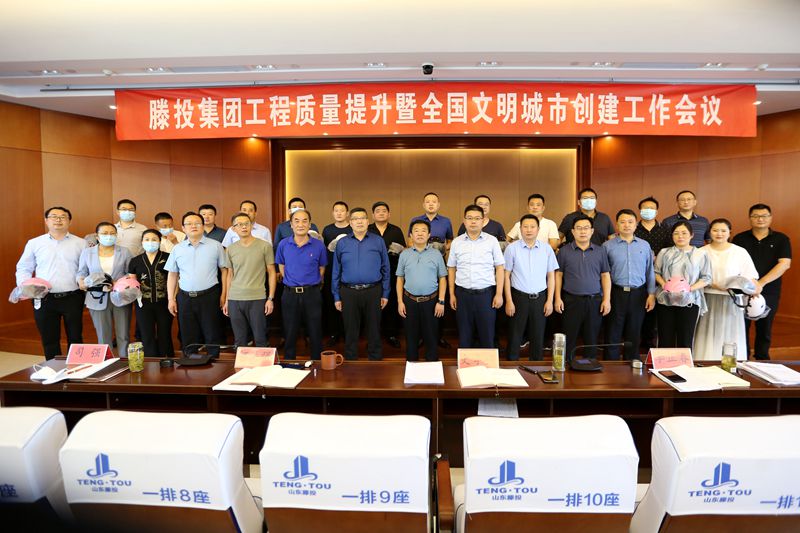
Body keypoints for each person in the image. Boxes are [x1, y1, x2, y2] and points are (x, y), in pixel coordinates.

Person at [15, 206, 87, 359]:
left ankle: (77, 368)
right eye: (54, 216)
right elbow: (23, 268)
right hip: (43, 298)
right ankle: (54, 368)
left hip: (73, 297)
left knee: (75, 337)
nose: (58, 220)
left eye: (63, 217)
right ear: (46, 221)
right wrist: (26, 286)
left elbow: (85, 269)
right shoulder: (34, 243)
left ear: (69, 221)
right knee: (49, 339)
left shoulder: (81, 243)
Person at [693, 219, 759, 361]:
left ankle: (730, 362)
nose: (719, 234)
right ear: (709, 232)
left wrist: (750, 287)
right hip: (707, 297)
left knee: (730, 332)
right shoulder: (701, 252)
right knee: (707, 332)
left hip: (732, 299)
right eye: (715, 230)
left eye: (723, 230)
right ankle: (705, 361)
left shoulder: (739, 252)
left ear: (730, 233)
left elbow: (751, 276)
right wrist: (712, 284)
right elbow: (692, 277)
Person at [732, 204, 792, 360]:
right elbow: (733, 264)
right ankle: (742, 359)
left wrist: (761, 283)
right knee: (741, 327)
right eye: (756, 216)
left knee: (765, 327)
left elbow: (784, 263)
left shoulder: (781, 239)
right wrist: (750, 284)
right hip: (742, 289)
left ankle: (762, 360)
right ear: (750, 218)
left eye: (764, 216)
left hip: (769, 290)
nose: (760, 219)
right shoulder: (739, 238)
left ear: (770, 218)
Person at [165, 212, 229, 355]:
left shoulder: (216, 246)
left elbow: (224, 271)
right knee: (188, 335)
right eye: (189, 224)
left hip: (209, 296)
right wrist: (171, 299)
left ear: (203, 226)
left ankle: (214, 364)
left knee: (212, 333)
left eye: (197, 223)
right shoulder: (177, 249)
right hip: (185, 297)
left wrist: (224, 295)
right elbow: (172, 274)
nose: (193, 226)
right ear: (183, 228)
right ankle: (190, 363)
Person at [332, 207, 390, 360]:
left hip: (373, 291)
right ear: (350, 222)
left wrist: (385, 293)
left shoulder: (378, 241)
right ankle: (350, 360)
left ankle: (375, 359)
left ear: (367, 221)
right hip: (348, 292)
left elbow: (386, 268)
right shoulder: (342, 243)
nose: (359, 221)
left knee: (374, 329)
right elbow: (336, 271)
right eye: (355, 219)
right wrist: (336, 296)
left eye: (362, 218)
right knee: (350, 329)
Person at [447, 204, 505, 349]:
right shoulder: (456, 242)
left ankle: (487, 364)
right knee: (464, 338)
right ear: (464, 221)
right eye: (469, 218)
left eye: (477, 218)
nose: (473, 221)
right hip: (462, 295)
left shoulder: (492, 241)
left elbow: (499, 267)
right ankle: (465, 364)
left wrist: (499, 294)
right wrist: (452, 294)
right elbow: (452, 268)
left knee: (487, 337)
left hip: (486, 296)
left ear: (483, 220)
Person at [555, 215, 611, 360]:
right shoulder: (564, 251)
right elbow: (558, 275)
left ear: (592, 231)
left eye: (586, 228)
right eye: (579, 228)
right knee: (569, 336)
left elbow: (605, 275)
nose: (582, 231)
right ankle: (567, 364)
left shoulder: (600, 251)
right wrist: (557, 298)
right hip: (571, 300)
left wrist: (607, 300)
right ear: (573, 231)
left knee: (592, 337)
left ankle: (590, 365)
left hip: (594, 301)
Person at [603, 209, 656, 360]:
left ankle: (631, 362)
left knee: (634, 330)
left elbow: (650, 271)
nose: (626, 225)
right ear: (617, 225)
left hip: (638, 294)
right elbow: (604, 274)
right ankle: (611, 364)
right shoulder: (607, 246)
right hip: (616, 292)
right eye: (622, 222)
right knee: (613, 330)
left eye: (630, 222)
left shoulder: (644, 245)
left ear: (636, 224)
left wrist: (651, 294)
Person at [504, 214, 557, 360]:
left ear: (538, 229)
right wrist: (509, 301)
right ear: (520, 229)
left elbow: (551, 276)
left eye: (532, 227)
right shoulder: (511, 249)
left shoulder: (547, 249)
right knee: (515, 336)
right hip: (518, 298)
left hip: (540, 298)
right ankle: (511, 366)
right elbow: (506, 276)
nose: (529, 230)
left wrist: (549, 301)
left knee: (538, 336)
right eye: (525, 227)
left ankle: (536, 367)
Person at [276, 209, 327, 360]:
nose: (300, 224)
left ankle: (316, 362)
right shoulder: (283, 244)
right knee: (290, 331)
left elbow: (322, 268)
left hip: (312, 293)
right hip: (290, 293)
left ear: (309, 224)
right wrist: (292, 280)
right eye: (296, 221)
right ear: (291, 225)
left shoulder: (318, 245)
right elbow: (281, 266)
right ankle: (289, 362)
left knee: (315, 330)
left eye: (305, 221)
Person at [77, 222, 133, 357]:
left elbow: (130, 273)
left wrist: (119, 282)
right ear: (97, 236)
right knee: (103, 334)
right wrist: (80, 281)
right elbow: (81, 272)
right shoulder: (87, 252)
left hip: (120, 296)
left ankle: (124, 361)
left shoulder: (124, 252)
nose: (109, 236)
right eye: (105, 233)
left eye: (112, 233)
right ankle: (107, 362)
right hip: (96, 297)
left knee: (123, 334)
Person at [223, 212, 277, 348]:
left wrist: (270, 298)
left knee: (260, 338)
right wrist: (227, 300)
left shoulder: (264, 246)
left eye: (247, 223)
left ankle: (262, 362)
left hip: (257, 298)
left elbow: (271, 272)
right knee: (239, 340)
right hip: (235, 299)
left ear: (251, 226)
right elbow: (230, 275)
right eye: (239, 224)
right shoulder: (230, 249)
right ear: (233, 229)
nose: (244, 227)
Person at [654, 221, 712, 348]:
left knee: (685, 339)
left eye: (684, 233)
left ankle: (684, 362)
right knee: (665, 339)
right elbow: (656, 272)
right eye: (676, 233)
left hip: (690, 300)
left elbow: (707, 278)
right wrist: (664, 285)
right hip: (666, 300)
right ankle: (665, 361)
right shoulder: (664, 252)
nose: (680, 236)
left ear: (691, 235)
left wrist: (689, 288)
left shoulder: (700, 254)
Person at [396, 219, 447, 361]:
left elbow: (442, 278)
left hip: (431, 301)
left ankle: (432, 364)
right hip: (409, 301)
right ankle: (411, 364)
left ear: (429, 234)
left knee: (431, 336)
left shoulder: (436, 254)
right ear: (411, 235)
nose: (420, 234)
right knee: (411, 336)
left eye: (423, 231)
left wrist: (441, 301)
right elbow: (400, 278)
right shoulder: (404, 254)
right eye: (416, 231)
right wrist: (400, 302)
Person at [408, 192, 454, 349]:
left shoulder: (446, 221)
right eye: (428, 201)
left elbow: (450, 241)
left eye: (434, 201)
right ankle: (421, 337)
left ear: (438, 204)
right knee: (422, 300)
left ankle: (438, 336)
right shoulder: (415, 220)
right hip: (419, 262)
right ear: (423, 204)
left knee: (437, 299)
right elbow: (409, 241)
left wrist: (441, 247)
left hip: (438, 261)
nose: (431, 204)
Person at [127, 230, 174, 357]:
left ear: (159, 241)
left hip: (165, 302)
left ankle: (166, 358)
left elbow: (175, 279)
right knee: (146, 333)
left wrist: (173, 298)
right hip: (143, 304)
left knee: (165, 332)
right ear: (142, 242)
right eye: (147, 239)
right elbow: (132, 282)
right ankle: (150, 360)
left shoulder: (168, 257)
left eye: (154, 239)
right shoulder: (135, 261)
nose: (150, 242)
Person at [634, 196, 672, 351]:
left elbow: (670, 251)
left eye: (651, 208)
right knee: (637, 312)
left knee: (653, 314)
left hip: (658, 276)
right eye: (645, 208)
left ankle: (649, 346)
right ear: (639, 210)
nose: (648, 211)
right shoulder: (633, 228)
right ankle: (635, 346)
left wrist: (658, 258)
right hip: (637, 276)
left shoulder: (665, 230)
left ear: (657, 211)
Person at [369, 201, 406, 349]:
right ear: (373, 215)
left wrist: (398, 250)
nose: (381, 213)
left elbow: (404, 251)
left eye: (384, 211)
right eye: (378, 211)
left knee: (391, 304)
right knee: (373, 306)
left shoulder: (396, 230)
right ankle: (373, 336)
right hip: (372, 273)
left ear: (389, 214)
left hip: (392, 272)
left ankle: (391, 334)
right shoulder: (368, 230)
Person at [321, 201, 351, 346]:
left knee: (348, 303)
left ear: (347, 213)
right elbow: (323, 251)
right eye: (336, 210)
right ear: (333, 213)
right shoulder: (327, 230)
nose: (339, 213)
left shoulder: (352, 228)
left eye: (342, 210)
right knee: (332, 301)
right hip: (331, 271)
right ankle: (334, 333)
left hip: (349, 271)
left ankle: (348, 332)